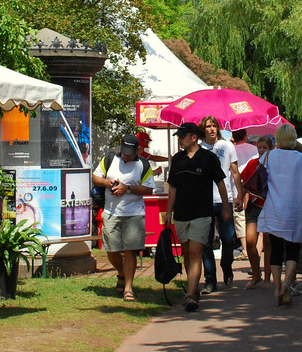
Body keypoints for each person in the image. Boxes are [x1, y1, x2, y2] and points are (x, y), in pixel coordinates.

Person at [163, 122, 232, 312]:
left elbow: (221, 184)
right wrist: (169, 211)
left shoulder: (208, 158)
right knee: (186, 254)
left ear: (193, 138)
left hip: (202, 214)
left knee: (195, 254)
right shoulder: (177, 159)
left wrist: (226, 208)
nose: (179, 139)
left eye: (182, 136)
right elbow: (173, 188)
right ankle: (193, 288)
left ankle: (191, 294)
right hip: (181, 214)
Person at [257, 124, 302, 307]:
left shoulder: (267, 156)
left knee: (274, 249)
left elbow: (260, 180)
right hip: (294, 209)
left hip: (273, 208)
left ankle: (276, 287)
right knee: (292, 249)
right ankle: (287, 285)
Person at [92, 134, 156, 301]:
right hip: (111, 212)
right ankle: (121, 272)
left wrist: (127, 188)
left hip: (134, 213)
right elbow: (95, 176)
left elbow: (148, 189)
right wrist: (107, 183)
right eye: (125, 152)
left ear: (137, 150)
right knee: (111, 250)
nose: (127, 156)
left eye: (131, 153)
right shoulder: (109, 159)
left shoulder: (143, 164)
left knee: (130, 251)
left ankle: (128, 287)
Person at [199, 115, 244, 291]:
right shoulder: (199, 148)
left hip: (224, 198)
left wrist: (239, 194)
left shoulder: (227, 146)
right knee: (206, 241)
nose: (211, 129)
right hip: (205, 200)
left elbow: (234, 171)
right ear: (203, 129)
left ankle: (227, 267)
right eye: (208, 126)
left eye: (214, 126)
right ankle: (210, 279)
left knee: (228, 238)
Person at [239, 134, 273, 289]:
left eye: (264, 148)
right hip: (254, 204)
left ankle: (267, 277)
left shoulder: (274, 164)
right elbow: (243, 182)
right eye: (259, 147)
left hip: (269, 205)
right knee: (251, 241)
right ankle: (256, 273)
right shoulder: (252, 163)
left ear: (271, 149)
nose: (261, 150)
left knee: (268, 243)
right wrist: (241, 197)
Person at [231, 128, 259, 260]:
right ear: (245, 136)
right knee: (252, 217)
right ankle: (254, 246)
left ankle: (245, 248)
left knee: (239, 217)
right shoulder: (253, 149)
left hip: (235, 185)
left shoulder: (231, 149)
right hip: (251, 185)